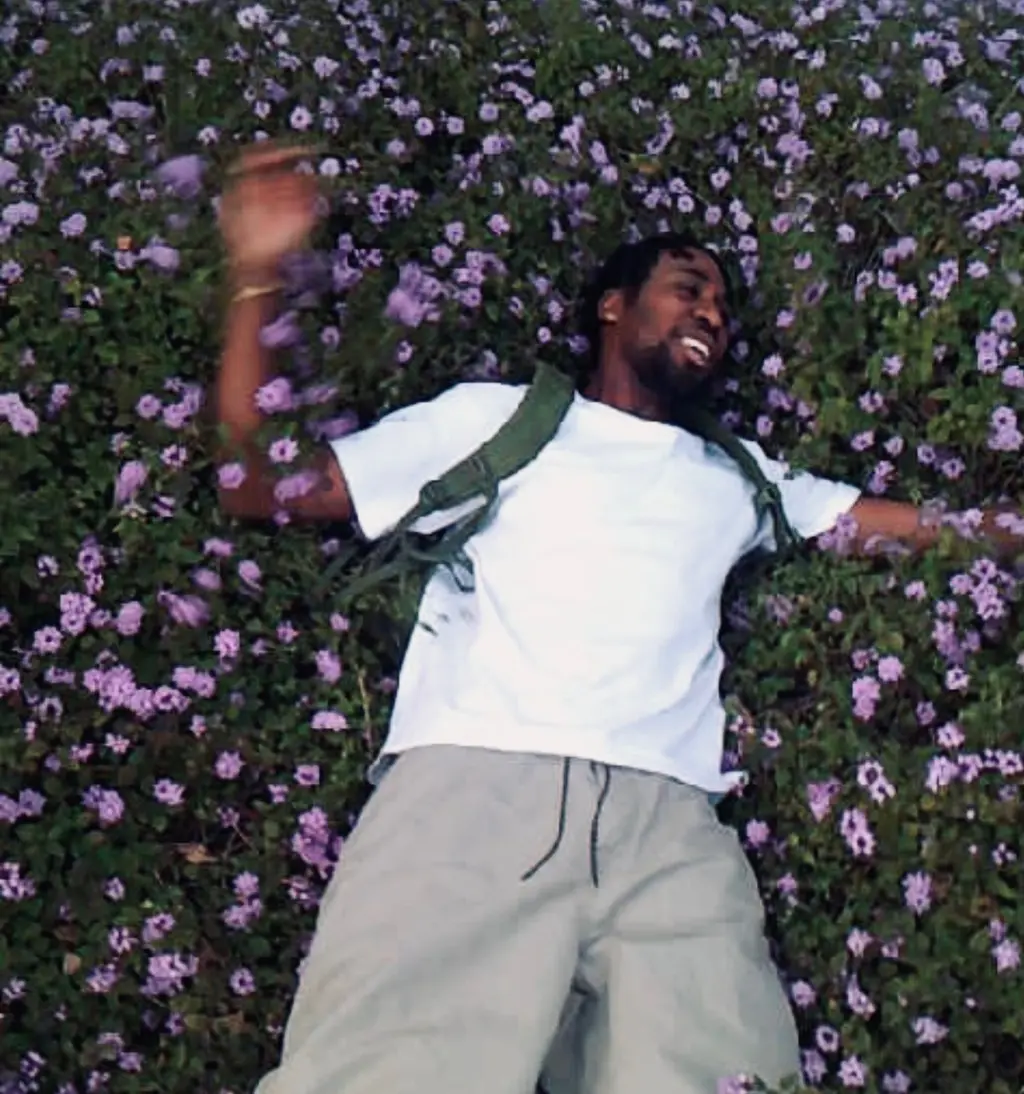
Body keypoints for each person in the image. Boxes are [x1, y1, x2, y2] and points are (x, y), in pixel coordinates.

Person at [215, 143, 1021, 1094]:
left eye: (723, 306)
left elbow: (910, 529)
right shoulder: (498, 419)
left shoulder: (741, 476)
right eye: (688, 288)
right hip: (475, 796)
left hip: (672, 835)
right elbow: (258, 485)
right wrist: (258, 277)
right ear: (612, 305)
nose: (711, 313)